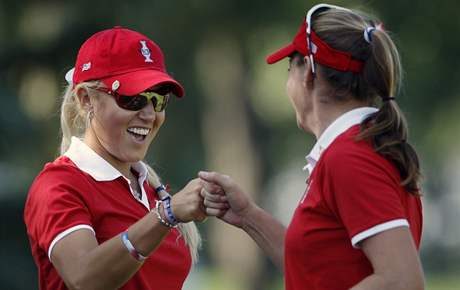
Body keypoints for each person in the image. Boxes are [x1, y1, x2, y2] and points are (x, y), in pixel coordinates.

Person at [199, 3, 425, 290]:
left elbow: (402, 281)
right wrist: (248, 216)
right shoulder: (355, 149)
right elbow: (314, 269)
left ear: (308, 74)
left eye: (289, 67)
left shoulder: (350, 157)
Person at [24, 27, 206, 290]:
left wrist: (244, 213)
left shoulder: (150, 191)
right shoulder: (57, 186)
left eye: (158, 101)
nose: (148, 114)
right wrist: (165, 215)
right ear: (86, 100)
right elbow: (84, 278)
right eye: (133, 99)